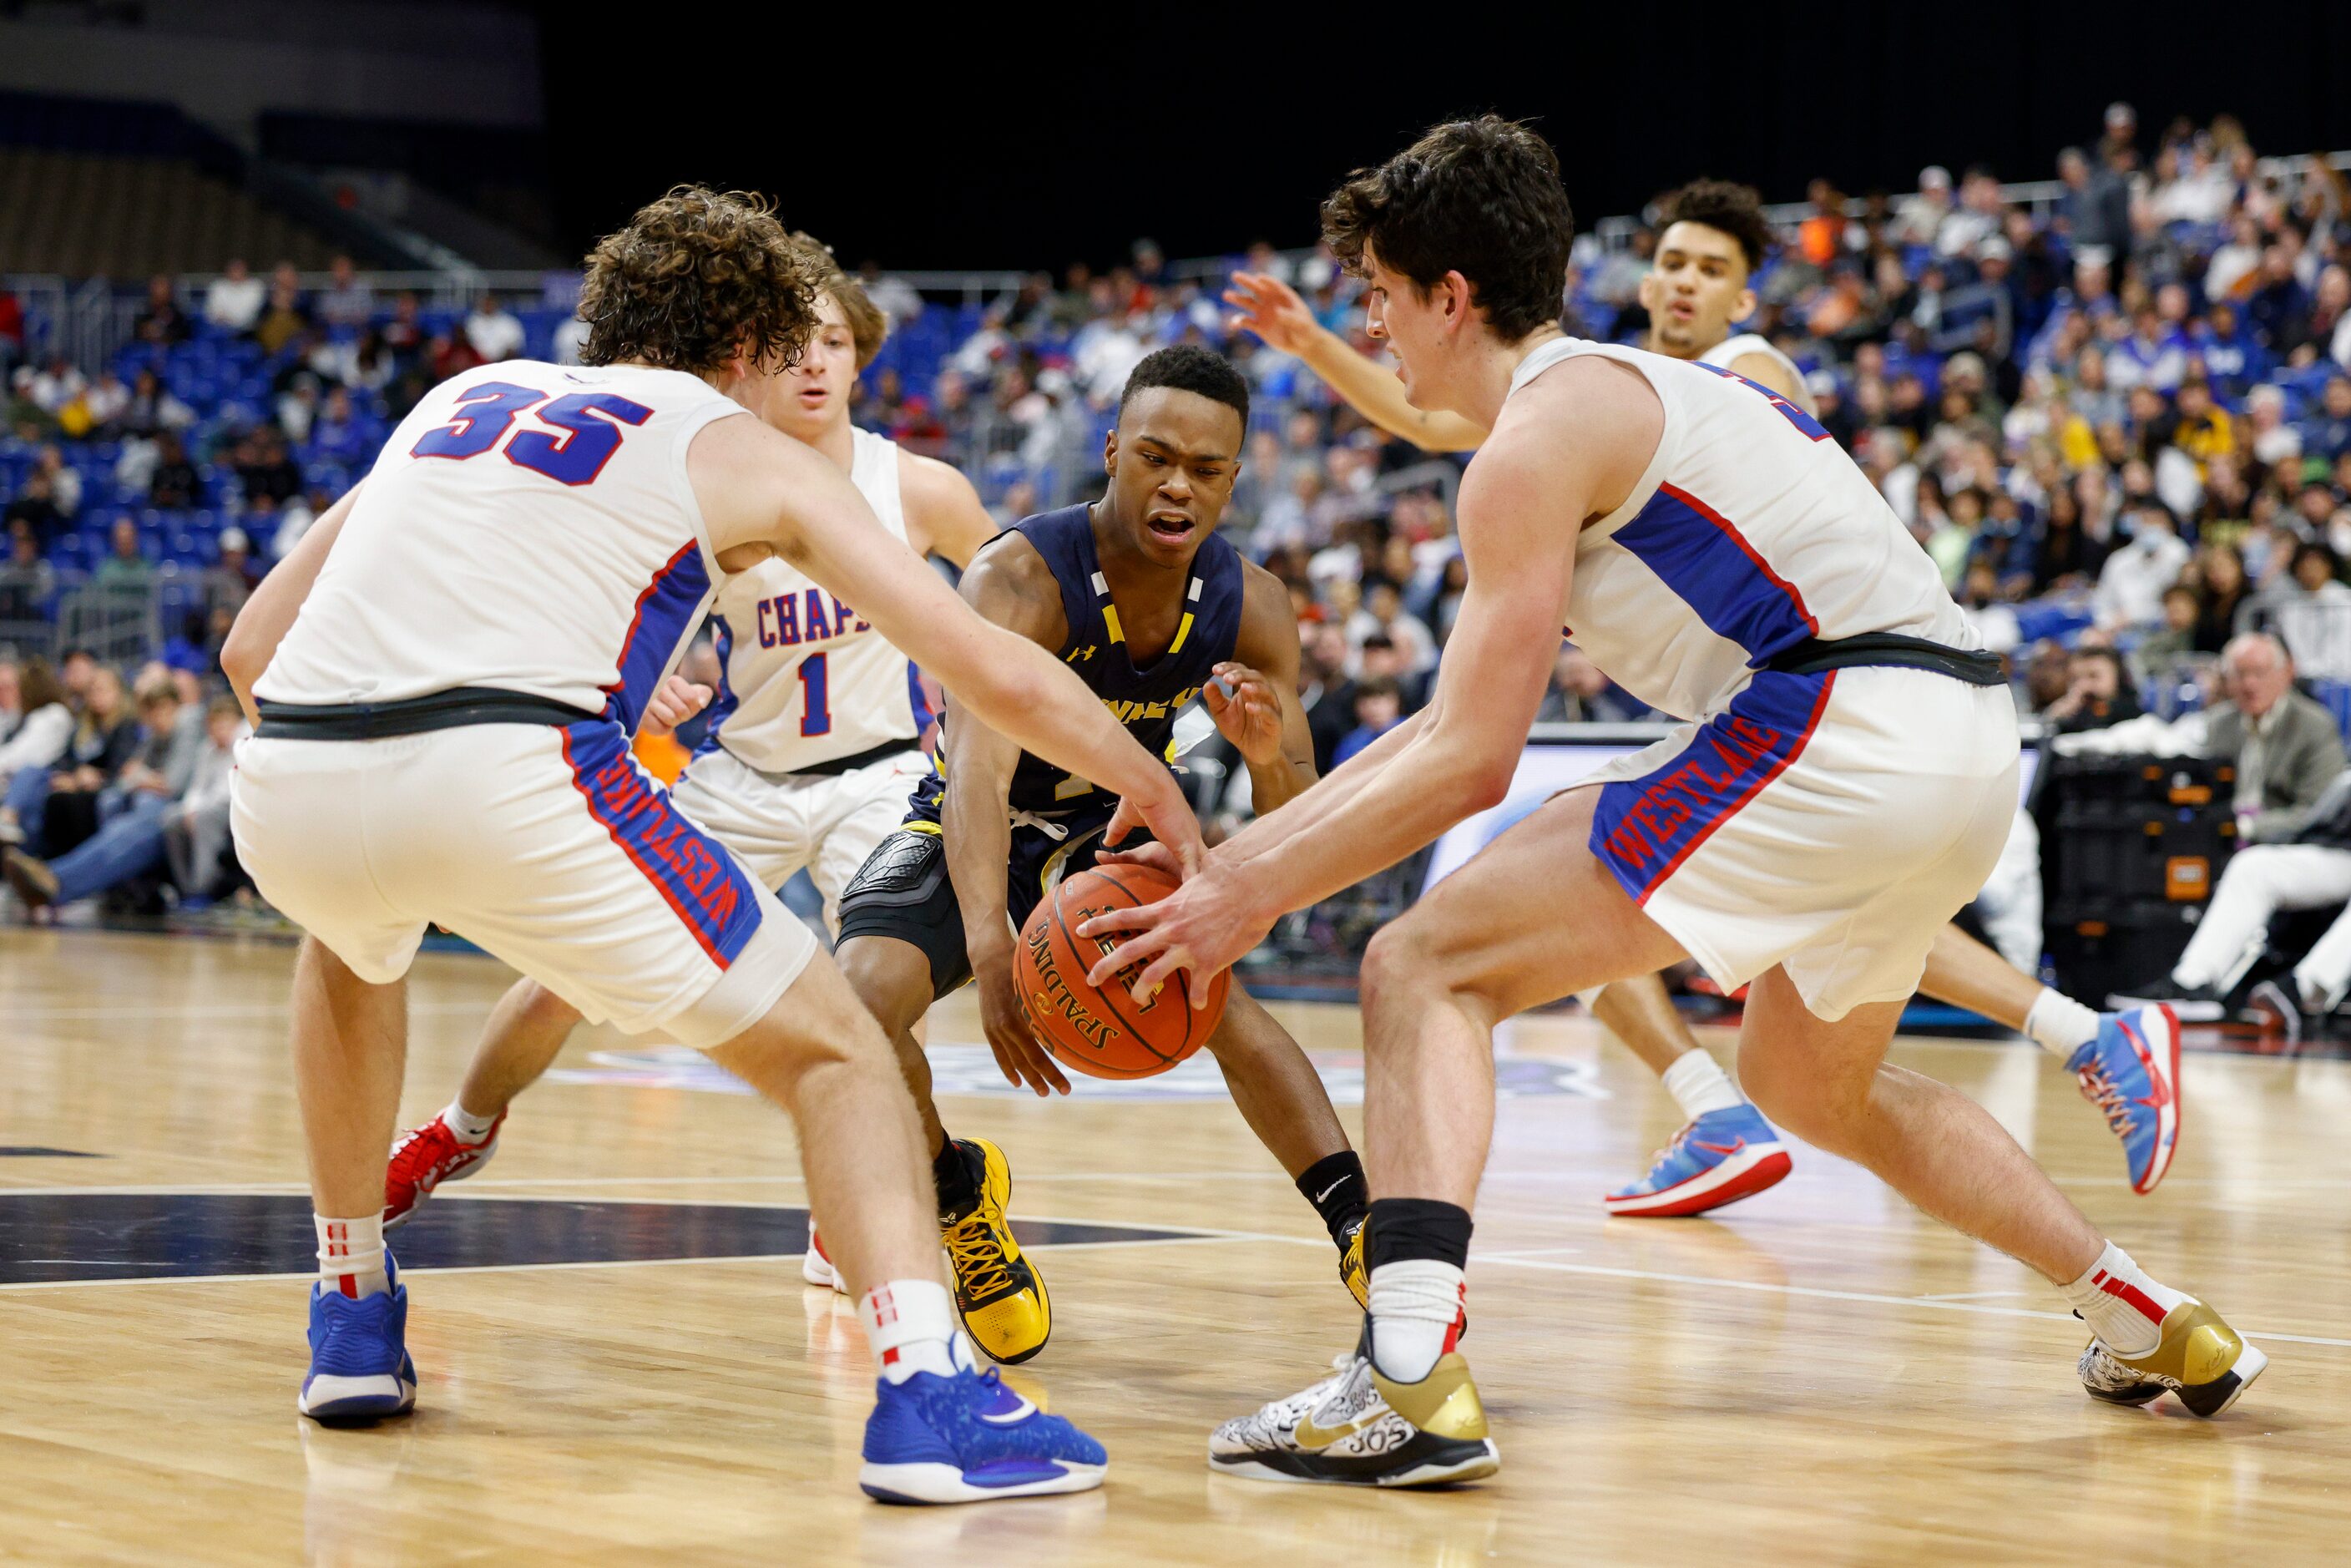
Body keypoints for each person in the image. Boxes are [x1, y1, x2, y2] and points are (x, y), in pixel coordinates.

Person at [1092, 120, 2255, 1488]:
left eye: (1383, 299)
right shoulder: (1628, 394)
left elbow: (1469, 761)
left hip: (1836, 717)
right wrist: (1245, 849)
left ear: (1449, 296)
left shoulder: (1538, 436)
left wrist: (1242, 895)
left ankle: (1405, 1376)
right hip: (1963, 740)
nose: (1373, 327)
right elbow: (1435, 721)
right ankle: (2147, 1317)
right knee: (1808, 1082)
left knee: (1420, 964)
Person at [218, 186, 1203, 1504]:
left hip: (288, 778)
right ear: (744, 346)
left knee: (348, 943)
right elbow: (988, 667)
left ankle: (348, 1308)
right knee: (844, 1047)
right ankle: (927, 1392)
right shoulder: (741, 446)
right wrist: (1155, 782)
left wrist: (379, 787)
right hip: (512, 772)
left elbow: (247, 651)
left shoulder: (457, 398)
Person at [1229, 174, 2169, 1220]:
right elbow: (1435, 416)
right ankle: (2104, 1257)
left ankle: (2056, 1033)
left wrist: (1238, 889)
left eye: (1708, 269)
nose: (1680, 282)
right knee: (1586, 917)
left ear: (1741, 302)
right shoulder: (1586, 394)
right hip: (1836, 713)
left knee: (1472, 936)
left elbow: (1813, 540)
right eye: (1669, 261)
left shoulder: (1738, 375)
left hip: (1816, 699)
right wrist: (1315, 346)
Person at [379, 244, 996, 1237]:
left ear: (858, 359)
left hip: (877, 777)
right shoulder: (715, 474)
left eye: (831, 342)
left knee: (870, 1007)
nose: (811, 362)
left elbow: (1018, 605)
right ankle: (463, 1123)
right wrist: (655, 673)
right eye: (791, 344)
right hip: (740, 776)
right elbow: (617, 600)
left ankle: (860, 1210)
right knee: (562, 974)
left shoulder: (918, 487)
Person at [827, 346, 1371, 1363]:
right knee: (854, 1011)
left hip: (1103, 840)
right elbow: (977, 781)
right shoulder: (1019, 578)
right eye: (1156, 457)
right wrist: (991, 954)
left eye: (1206, 469)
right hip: (976, 820)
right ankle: (959, 1199)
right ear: (1112, 451)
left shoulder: (1251, 606)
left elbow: (1298, 826)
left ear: (1233, 478)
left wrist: (1261, 759)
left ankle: (1363, 1231)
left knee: (1219, 1000)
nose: (1178, 484)